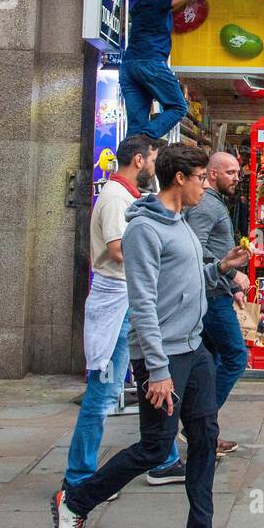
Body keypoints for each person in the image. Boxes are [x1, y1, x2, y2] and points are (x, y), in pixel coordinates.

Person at [51, 143, 250, 528]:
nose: (203, 186)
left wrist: (222, 268)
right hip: (162, 356)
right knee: (154, 446)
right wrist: (157, 370)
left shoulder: (179, 222)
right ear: (180, 178)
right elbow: (142, 301)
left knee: (204, 438)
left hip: (193, 350)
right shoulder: (144, 228)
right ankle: (75, 502)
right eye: (199, 179)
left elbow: (188, 276)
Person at [62, 134, 182, 493]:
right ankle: (80, 477)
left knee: (153, 379)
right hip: (117, 302)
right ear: (140, 161)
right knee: (103, 393)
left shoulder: (130, 196)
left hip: (131, 298)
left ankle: (164, 457)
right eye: (154, 159)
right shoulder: (115, 198)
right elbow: (117, 250)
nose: (157, 167)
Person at [185, 150, 252, 456]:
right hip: (211, 296)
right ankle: (198, 424)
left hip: (218, 290)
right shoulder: (205, 207)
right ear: (212, 174)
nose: (237, 178)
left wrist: (232, 285)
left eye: (237, 173)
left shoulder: (214, 203)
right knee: (236, 356)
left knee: (210, 364)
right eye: (230, 173)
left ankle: (204, 432)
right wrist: (232, 273)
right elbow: (193, 250)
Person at [119, 0, 199, 140]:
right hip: (151, 63)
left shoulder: (143, 5)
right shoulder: (156, 2)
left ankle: (134, 148)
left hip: (129, 66)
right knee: (178, 106)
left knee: (135, 125)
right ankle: (146, 137)